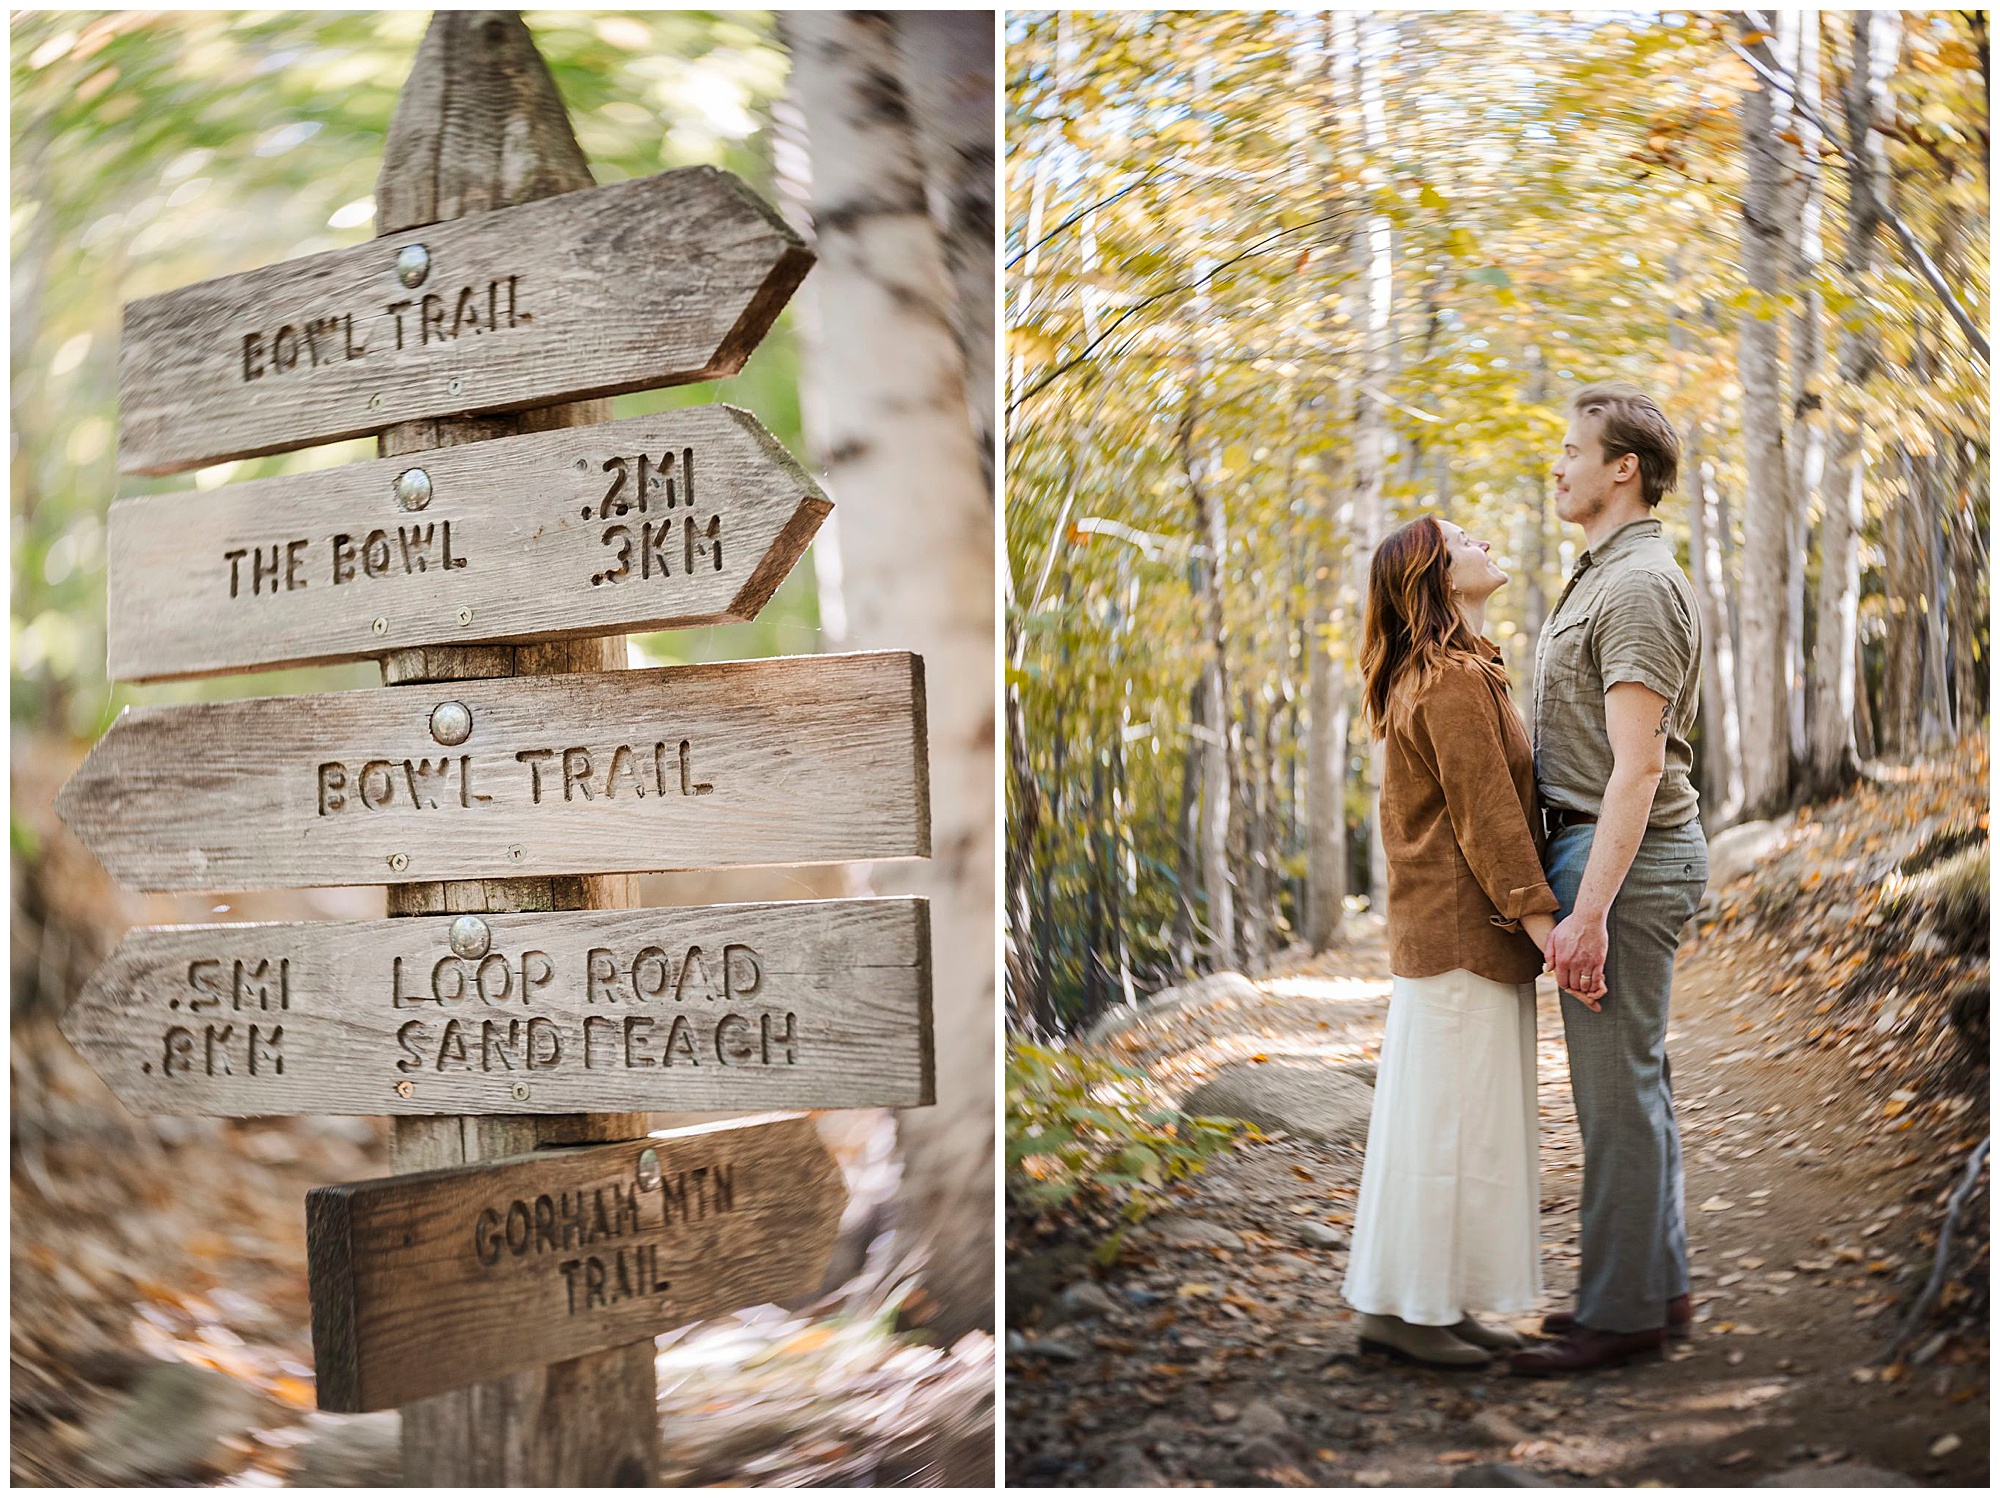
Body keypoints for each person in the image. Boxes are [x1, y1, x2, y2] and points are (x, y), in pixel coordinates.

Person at [1340, 513, 1589, 1368]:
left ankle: (1425, 1304)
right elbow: (1487, 822)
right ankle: (1407, 1314)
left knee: (1459, 1126)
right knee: (1446, 1130)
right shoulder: (1446, 680)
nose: (1484, 540)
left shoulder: (1463, 672)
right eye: (1464, 538)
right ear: (1440, 578)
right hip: (1458, 937)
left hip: (1462, 935)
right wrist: (1550, 931)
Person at [1510, 381, 1708, 1376]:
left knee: (1616, 1096)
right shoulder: (1601, 572)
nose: (1556, 464)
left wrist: (1583, 914)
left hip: (1617, 860)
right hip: (1602, 850)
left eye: (1569, 448)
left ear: (1620, 467)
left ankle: (1619, 1311)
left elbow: (1635, 768)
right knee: (1635, 1084)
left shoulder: (1633, 586)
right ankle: (1652, 1289)